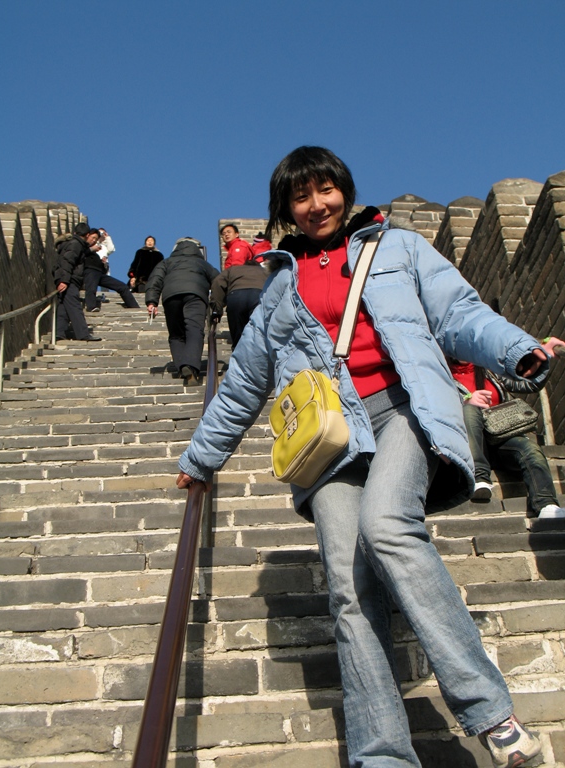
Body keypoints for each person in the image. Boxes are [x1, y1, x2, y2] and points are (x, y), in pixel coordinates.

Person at [176, 147, 546, 768]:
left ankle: (491, 714)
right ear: (285, 210)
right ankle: (382, 754)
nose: (317, 205)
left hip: (404, 410)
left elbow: (456, 313)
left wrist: (517, 351)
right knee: (348, 589)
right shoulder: (280, 288)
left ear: (344, 191)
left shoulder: (396, 249)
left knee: (388, 527)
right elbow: (243, 382)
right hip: (330, 441)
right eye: (301, 197)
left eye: (326, 190)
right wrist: (202, 458)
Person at [449, 352, 565, 517]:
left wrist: (541, 361)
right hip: (468, 444)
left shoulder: (490, 370)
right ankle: (479, 477)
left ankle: (546, 504)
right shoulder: (443, 378)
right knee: (469, 410)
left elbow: (527, 385)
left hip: (500, 438)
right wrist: (465, 400)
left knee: (530, 449)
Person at [145, 237, 219, 385]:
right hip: (196, 296)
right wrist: (217, 304)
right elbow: (218, 282)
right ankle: (190, 366)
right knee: (194, 330)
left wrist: (152, 301)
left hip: (171, 297)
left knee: (176, 335)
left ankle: (181, 367)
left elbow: (155, 280)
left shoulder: (166, 262)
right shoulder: (203, 264)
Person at [53, 223, 101, 342]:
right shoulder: (76, 245)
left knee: (64, 307)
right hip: (70, 280)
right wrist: (64, 281)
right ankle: (83, 334)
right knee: (75, 307)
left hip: (66, 279)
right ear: (87, 234)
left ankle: (60, 333)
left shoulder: (73, 244)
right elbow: (67, 262)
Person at [209, 255, 268, 348]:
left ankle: (238, 356)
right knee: (259, 334)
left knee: (238, 338)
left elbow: (217, 283)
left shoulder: (233, 270)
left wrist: (217, 308)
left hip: (236, 298)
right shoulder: (265, 272)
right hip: (258, 297)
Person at [83, 229, 140, 312]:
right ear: (87, 235)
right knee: (91, 289)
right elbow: (79, 253)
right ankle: (91, 307)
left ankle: (134, 307)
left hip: (100, 273)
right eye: (93, 237)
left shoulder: (95, 252)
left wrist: (104, 264)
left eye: (96, 239)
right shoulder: (82, 245)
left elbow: (111, 250)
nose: (94, 240)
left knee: (122, 286)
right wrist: (92, 249)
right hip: (90, 271)